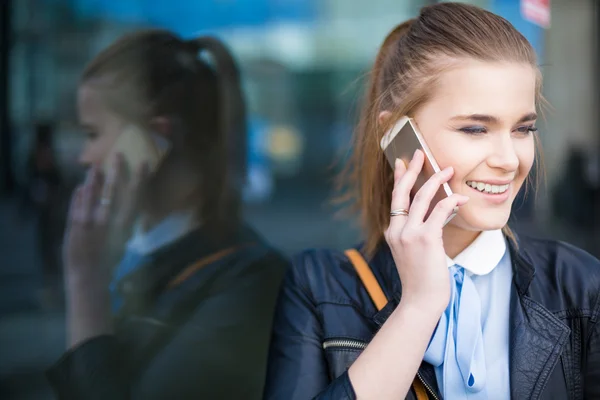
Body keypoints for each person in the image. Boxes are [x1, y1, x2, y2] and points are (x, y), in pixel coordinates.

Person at [264, 3, 600, 400]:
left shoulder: (578, 285)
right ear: (395, 135)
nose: (509, 159)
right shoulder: (319, 285)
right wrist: (418, 309)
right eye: (475, 129)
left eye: (523, 129)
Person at [46, 30, 288, 400]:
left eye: (93, 133)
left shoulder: (248, 279)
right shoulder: (137, 254)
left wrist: (85, 282)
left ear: (153, 138)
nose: (84, 157)